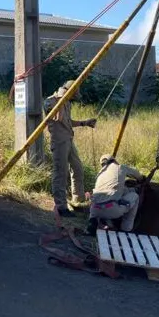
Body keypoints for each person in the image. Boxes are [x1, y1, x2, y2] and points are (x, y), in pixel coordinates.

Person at [43, 80, 97, 216]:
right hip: (59, 142)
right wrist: (59, 102)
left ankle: (78, 200)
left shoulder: (67, 102)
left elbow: (68, 122)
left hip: (69, 140)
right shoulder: (51, 101)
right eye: (75, 93)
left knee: (78, 168)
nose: (76, 97)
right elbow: (56, 117)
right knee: (61, 173)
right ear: (69, 91)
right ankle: (61, 207)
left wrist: (85, 123)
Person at [86, 155, 144, 234]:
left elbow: (116, 189)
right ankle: (126, 229)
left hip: (94, 210)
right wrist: (141, 179)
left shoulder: (100, 174)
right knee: (135, 196)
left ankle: (93, 222)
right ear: (114, 160)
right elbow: (137, 175)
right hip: (112, 209)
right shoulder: (120, 167)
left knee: (102, 197)